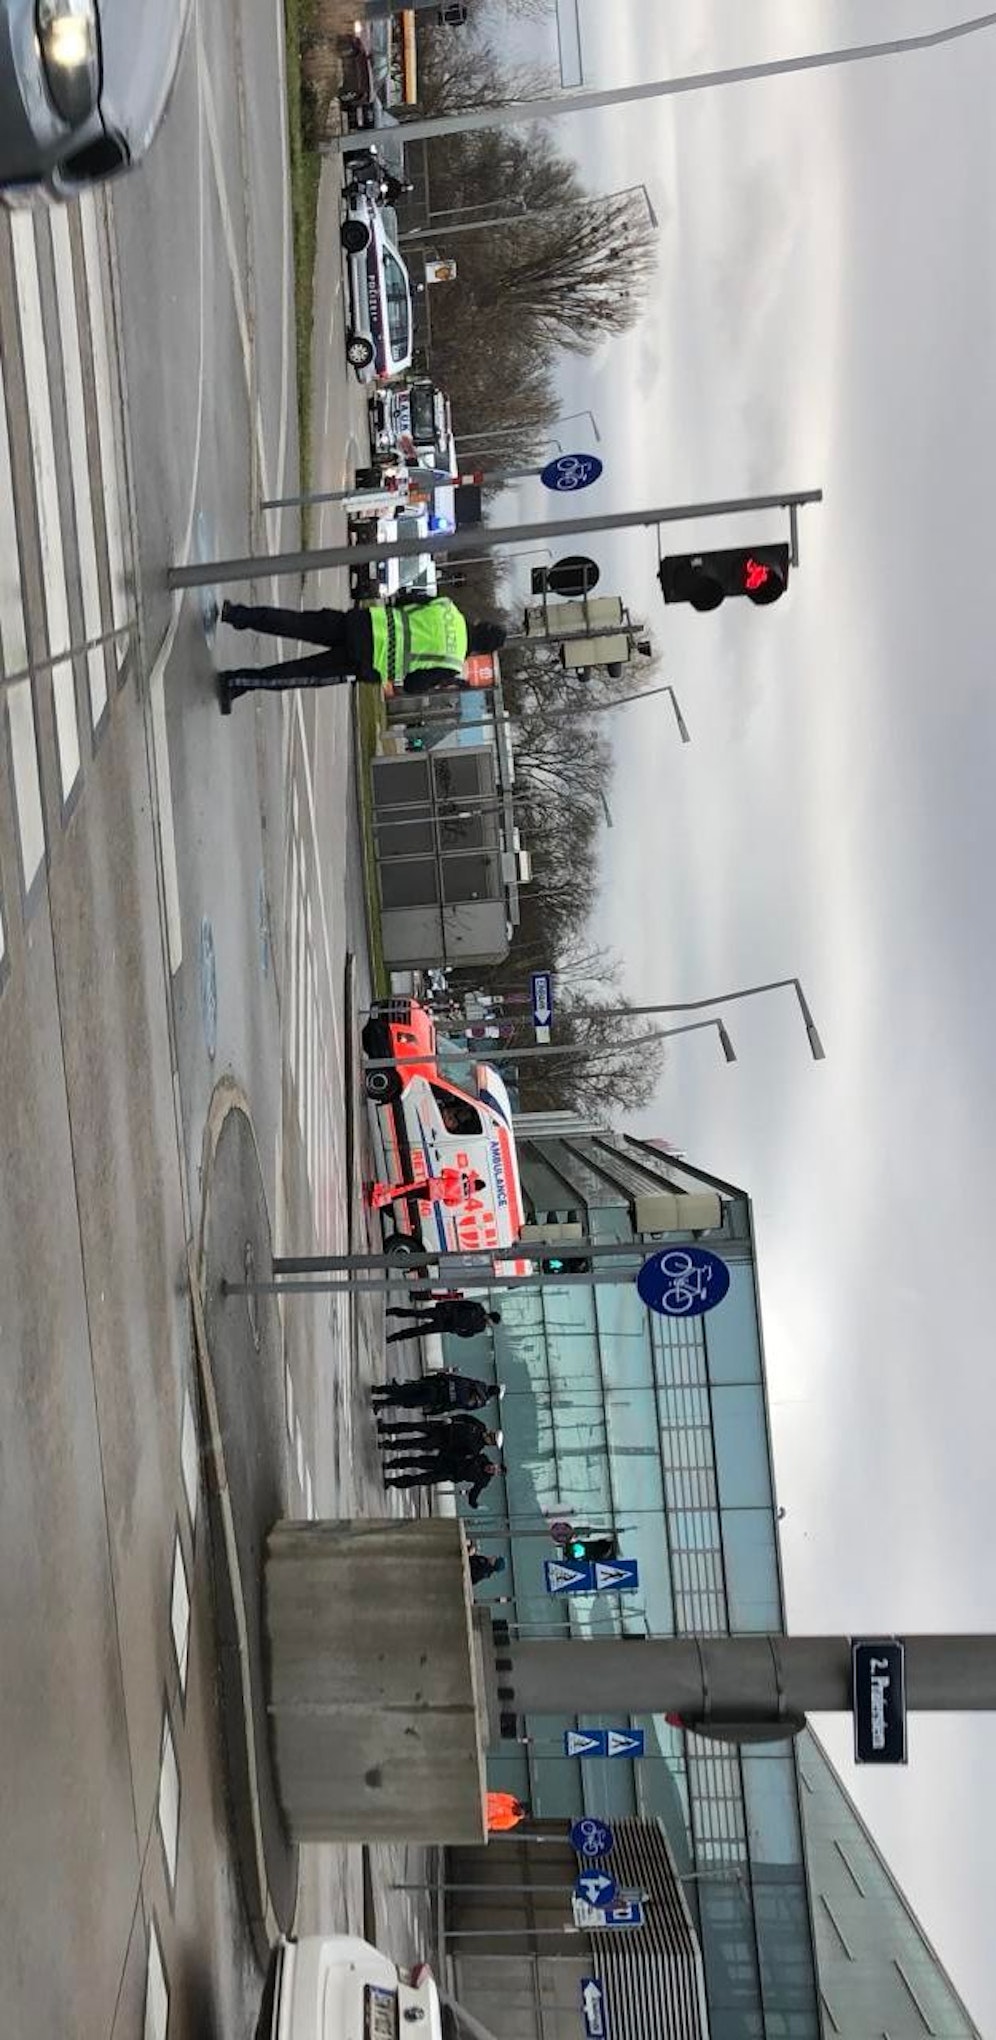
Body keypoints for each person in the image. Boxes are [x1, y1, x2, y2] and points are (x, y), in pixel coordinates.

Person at [215, 592, 506, 712]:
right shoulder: (453, 662)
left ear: (480, 623)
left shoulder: (448, 607)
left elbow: (405, 599)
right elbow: (415, 685)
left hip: (360, 623)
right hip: (363, 662)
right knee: (297, 674)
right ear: (480, 651)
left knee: (295, 622)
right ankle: (236, 681)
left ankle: (236, 614)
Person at [382, 1449, 499, 1508]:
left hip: (449, 1474)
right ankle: (391, 1464)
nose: (490, 1469)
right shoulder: (482, 1457)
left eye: (492, 1471)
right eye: (492, 1467)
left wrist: (474, 1504)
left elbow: (475, 1492)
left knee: (419, 1480)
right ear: (493, 1463)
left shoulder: (483, 1481)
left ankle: (392, 1482)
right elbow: (462, 1449)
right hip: (445, 1461)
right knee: (417, 1462)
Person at [371, 1369, 502, 1414]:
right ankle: (380, 1403)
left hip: (435, 1386)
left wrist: (434, 1377)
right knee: (406, 1400)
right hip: (435, 1398)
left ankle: (378, 1390)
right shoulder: (477, 1403)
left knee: (404, 1391)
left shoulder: (475, 1383)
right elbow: (453, 1407)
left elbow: (455, 1378)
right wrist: (435, 1411)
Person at [385, 1297, 502, 1344]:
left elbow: (468, 1334)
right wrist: (445, 1305)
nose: (490, 1325)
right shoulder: (477, 1308)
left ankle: (394, 1337)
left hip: (445, 1325)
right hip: (444, 1312)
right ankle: (392, 1311)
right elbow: (460, 1303)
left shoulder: (480, 1327)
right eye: (492, 1323)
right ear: (490, 1317)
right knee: (417, 1313)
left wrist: (456, 1331)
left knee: (420, 1331)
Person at [369, 1169, 486, 1215]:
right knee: (405, 1189)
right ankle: (381, 1189)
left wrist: (443, 1180)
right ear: (476, 1190)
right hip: (432, 1196)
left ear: (474, 1180)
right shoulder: (464, 1197)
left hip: (430, 1185)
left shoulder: (463, 1177)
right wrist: (444, 1194)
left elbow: (445, 1171)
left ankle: (378, 1200)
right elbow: (449, 1204)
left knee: (404, 1191)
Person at [376, 1415, 502, 1457]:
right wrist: (452, 1419)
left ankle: (389, 1445)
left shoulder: (476, 1449)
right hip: (441, 1427)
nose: (490, 1434)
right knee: (413, 1426)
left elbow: (457, 1453)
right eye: (492, 1434)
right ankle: (386, 1428)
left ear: (491, 1444)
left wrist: (442, 1449)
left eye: (492, 1438)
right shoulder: (480, 1426)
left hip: (441, 1441)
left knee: (413, 1443)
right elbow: (466, 1418)